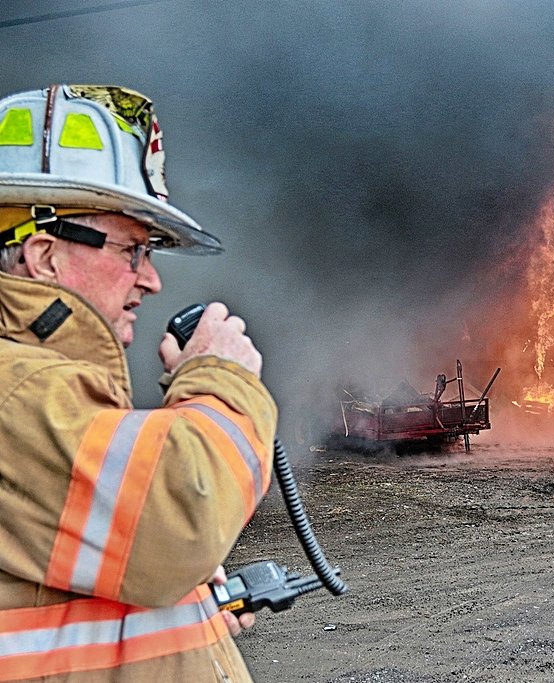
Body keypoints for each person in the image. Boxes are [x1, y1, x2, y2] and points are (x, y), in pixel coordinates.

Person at [0, 85, 276, 681]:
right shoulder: (15, 393)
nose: (150, 280)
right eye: (133, 250)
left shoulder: (46, 391)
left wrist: (186, 613)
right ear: (45, 256)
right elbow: (183, 516)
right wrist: (221, 379)